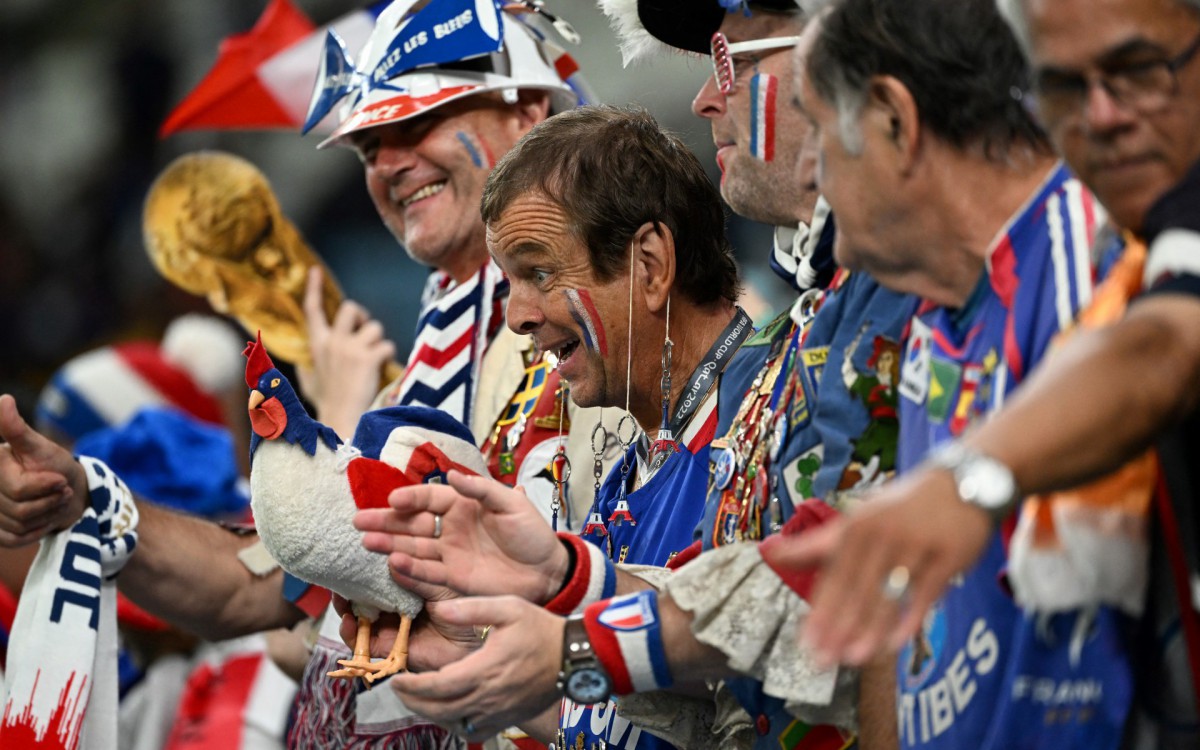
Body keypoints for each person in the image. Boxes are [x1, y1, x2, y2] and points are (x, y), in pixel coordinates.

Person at [0, 0, 613, 747]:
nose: (388, 163)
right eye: (368, 146)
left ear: (525, 112)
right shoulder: (411, 386)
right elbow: (257, 582)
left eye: (416, 123)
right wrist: (87, 498)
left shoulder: (618, 333)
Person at [354, 2, 913, 747]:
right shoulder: (633, 462)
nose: (519, 315)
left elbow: (824, 604)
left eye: (539, 272)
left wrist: (569, 616)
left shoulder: (780, 373)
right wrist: (491, 654)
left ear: (649, 266)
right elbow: (664, 704)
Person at [775, 0, 1200, 746]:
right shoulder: (938, 321)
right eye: (1062, 88)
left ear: (897, 121)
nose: (1100, 116)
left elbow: (1164, 347)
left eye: (1138, 71)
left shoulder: (1084, 246)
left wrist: (965, 481)